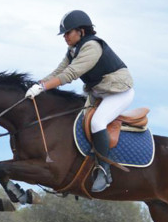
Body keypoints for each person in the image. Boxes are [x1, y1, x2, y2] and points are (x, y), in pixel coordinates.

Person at [25, 10, 135, 193]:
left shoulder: (92, 47)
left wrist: (43, 88)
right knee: (74, 121)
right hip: (100, 93)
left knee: (97, 122)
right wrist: (36, 86)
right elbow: (57, 73)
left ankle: (104, 171)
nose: (65, 37)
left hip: (118, 92)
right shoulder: (72, 51)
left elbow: (70, 74)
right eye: (64, 34)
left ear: (81, 31)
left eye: (68, 32)